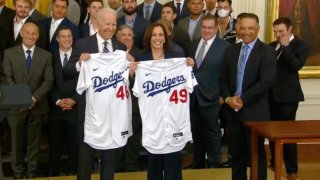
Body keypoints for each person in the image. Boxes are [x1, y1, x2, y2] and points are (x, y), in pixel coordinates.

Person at [132, 22, 195, 180]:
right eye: (154, 35)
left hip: (173, 121)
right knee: (154, 165)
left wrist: (189, 66)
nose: (157, 38)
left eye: (161, 35)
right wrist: (132, 72)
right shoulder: (142, 60)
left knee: (173, 164)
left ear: (166, 38)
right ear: (149, 38)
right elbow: (134, 88)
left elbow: (190, 84)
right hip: (153, 122)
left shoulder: (177, 58)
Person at [220, 13, 277, 180]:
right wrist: (229, 99)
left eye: (250, 28)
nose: (246, 32)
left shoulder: (267, 52)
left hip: (255, 114)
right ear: (237, 29)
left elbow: (266, 82)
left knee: (256, 155)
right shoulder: (230, 50)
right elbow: (222, 79)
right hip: (233, 112)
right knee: (236, 155)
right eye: (242, 28)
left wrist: (242, 99)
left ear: (258, 29)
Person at [74, 8, 127, 180]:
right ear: (97, 23)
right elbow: (67, 70)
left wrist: (131, 69)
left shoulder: (121, 47)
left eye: (114, 24)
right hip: (89, 113)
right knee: (85, 157)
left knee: (109, 158)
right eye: (107, 24)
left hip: (113, 113)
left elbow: (126, 77)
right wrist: (79, 63)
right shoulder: (83, 44)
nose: (111, 28)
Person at [3, 22, 53, 179]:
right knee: (16, 143)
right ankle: (18, 173)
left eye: (34, 34)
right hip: (16, 107)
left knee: (34, 143)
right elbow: (7, 77)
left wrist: (33, 98)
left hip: (37, 106)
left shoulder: (46, 56)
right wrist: (21, 99)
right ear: (22, 34)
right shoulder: (9, 53)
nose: (31, 36)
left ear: (38, 36)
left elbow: (48, 81)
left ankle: (31, 173)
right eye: (28, 33)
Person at [268, 17, 310, 180]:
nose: (278, 35)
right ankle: (274, 163)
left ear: (290, 30)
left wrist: (286, 47)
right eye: (276, 32)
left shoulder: (301, 45)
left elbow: (296, 65)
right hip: (270, 96)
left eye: (281, 32)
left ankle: (292, 170)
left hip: (288, 98)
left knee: (287, 134)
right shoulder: (271, 46)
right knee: (272, 132)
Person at [188, 14, 228, 169]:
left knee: (212, 133)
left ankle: (213, 165)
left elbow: (228, 74)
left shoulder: (224, 47)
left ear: (216, 28)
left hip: (213, 98)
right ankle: (197, 163)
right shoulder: (193, 44)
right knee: (196, 132)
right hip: (193, 98)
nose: (206, 30)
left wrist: (224, 96)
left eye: (210, 27)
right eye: (204, 27)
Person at [48, 26, 81, 176]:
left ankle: (72, 172)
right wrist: (57, 101)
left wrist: (74, 100)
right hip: (56, 109)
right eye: (63, 36)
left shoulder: (80, 57)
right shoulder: (50, 57)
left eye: (69, 36)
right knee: (55, 145)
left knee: (74, 145)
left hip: (75, 108)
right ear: (57, 39)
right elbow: (50, 83)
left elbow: (86, 83)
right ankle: (53, 173)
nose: (67, 39)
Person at [115, 25, 144, 172]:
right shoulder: (111, 54)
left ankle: (131, 168)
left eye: (129, 35)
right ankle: (117, 167)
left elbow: (145, 81)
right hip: (116, 105)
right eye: (123, 35)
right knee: (118, 136)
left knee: (133, 139)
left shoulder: (141, 54)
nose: (126, 38)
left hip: (134, 105)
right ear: (117, 37)